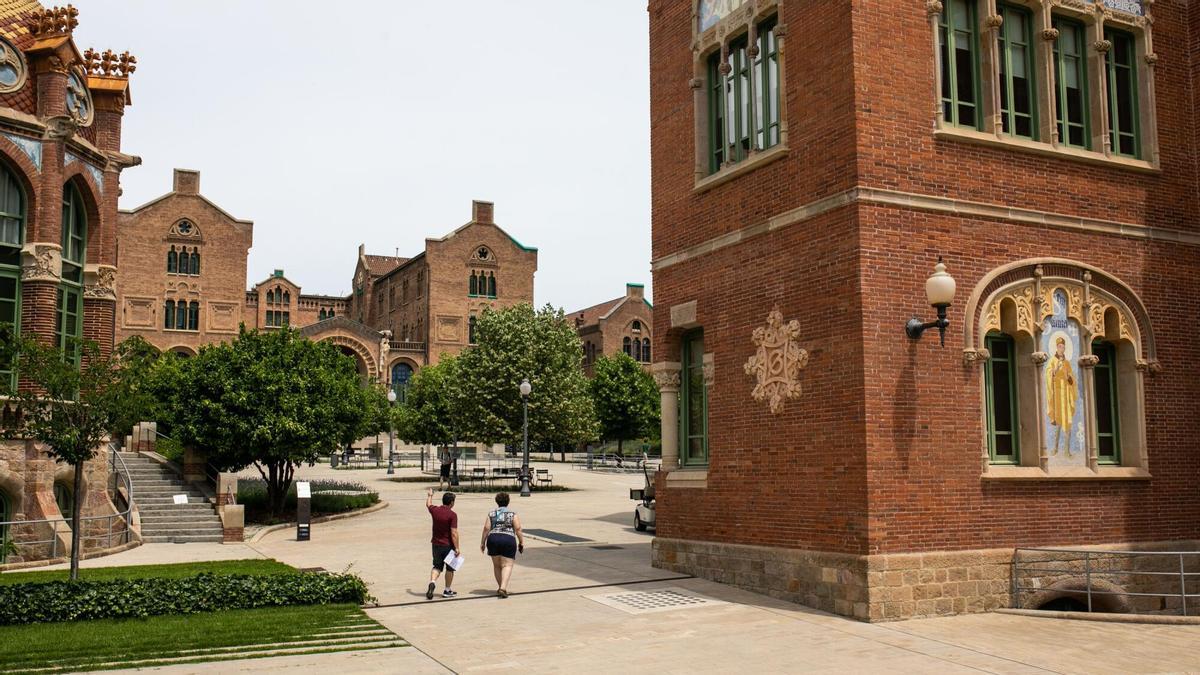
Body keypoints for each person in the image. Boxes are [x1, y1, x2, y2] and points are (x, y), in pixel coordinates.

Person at [480, 492, 524, 598]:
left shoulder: (491, 513)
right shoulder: (512, 514)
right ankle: (503, 588)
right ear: (508, 502)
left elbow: (486, 528)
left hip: (493, 539)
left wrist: (483, 542)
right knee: (507, 565)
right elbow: (518, 528)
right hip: (508, 539)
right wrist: (521, 541)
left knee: (497, 565)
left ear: (497, 502)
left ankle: (500, 586)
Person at [1045, 336, 1078, 457]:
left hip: (1066, 395)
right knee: (1058, 424)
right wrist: (1055, 370)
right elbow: (1048, 375)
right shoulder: (1052, 360)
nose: (1061, 349)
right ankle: (1054, 448)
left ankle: (1067, 451)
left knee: (1068, 423)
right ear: (1056, 347)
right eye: (1059, 346)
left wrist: (1069, 377)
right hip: (1057, 396)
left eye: (1063, 347)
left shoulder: (1067, 363)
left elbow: (1072, 379)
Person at [426, 488, 459, 599]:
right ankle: (447, 590)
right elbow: (454, 533)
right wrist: (457, 548)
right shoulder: (452, 515)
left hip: (435, 544)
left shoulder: (435, 510)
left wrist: (430, 495)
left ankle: (432, 582)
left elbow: (428, 504)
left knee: (437, 566)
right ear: (451, 503)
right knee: (450, 569)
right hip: (448, 545)